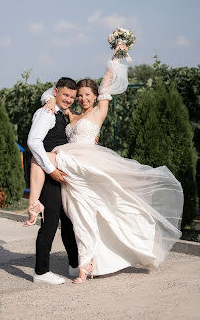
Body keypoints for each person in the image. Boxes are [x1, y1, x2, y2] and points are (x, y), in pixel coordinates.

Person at [25, 55, 184, 284]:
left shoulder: (99, 110)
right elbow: (59, 96)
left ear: (94, 96)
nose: (81, 98)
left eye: (85, 94)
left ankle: (34, 201)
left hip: (87, 163)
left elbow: (106, 84)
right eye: (79, 95)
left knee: (106, 203)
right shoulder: (71, 114)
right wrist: (49, 99)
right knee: (78, 216)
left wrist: (117, 55)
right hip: (72, 163)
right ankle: (83, 262)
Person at [26, 77, 79, 284]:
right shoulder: (46, 113)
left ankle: (74, 265)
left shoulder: (58, 111)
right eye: (65, 94)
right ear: (56, 91)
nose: (68, 99)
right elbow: (33, 141)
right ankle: (41, 272)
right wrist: (51, 171)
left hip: (58, 171)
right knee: (50, 222)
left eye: (72, 97)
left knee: (66, 220)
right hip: (48, 173)